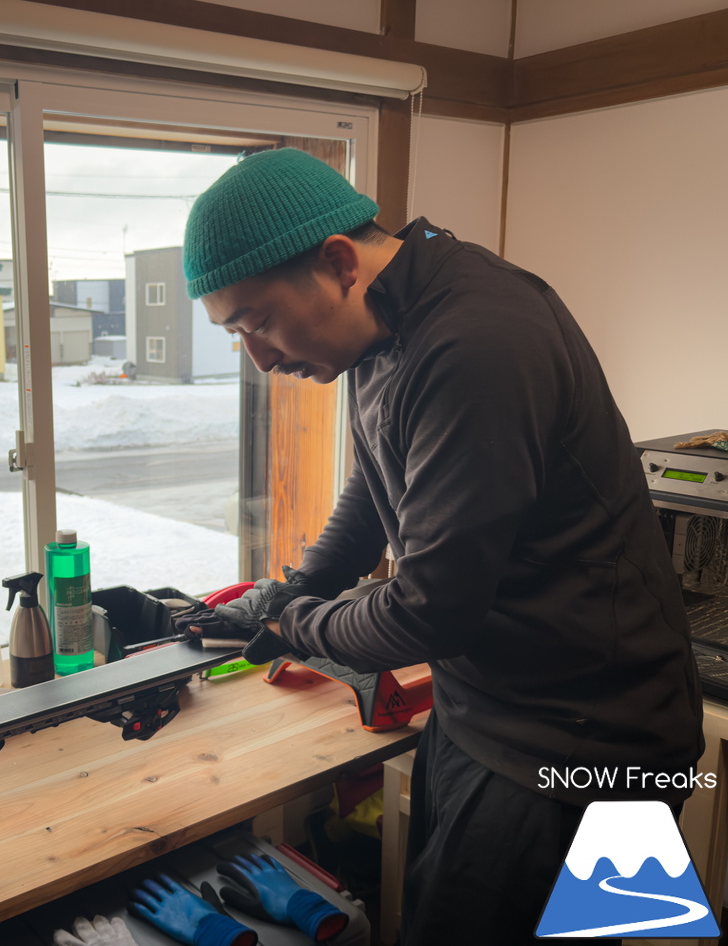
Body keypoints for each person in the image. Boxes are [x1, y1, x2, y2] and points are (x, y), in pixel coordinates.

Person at [180, 148, 704, 945]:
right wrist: (303, 583)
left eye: (257, 321)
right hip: (487, 711)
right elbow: (379, 473)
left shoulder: (477, 340)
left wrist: (299, 627)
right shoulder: (384, 324)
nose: (259, 357)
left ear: (337, 263)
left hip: (585, 739)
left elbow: (430, 613)